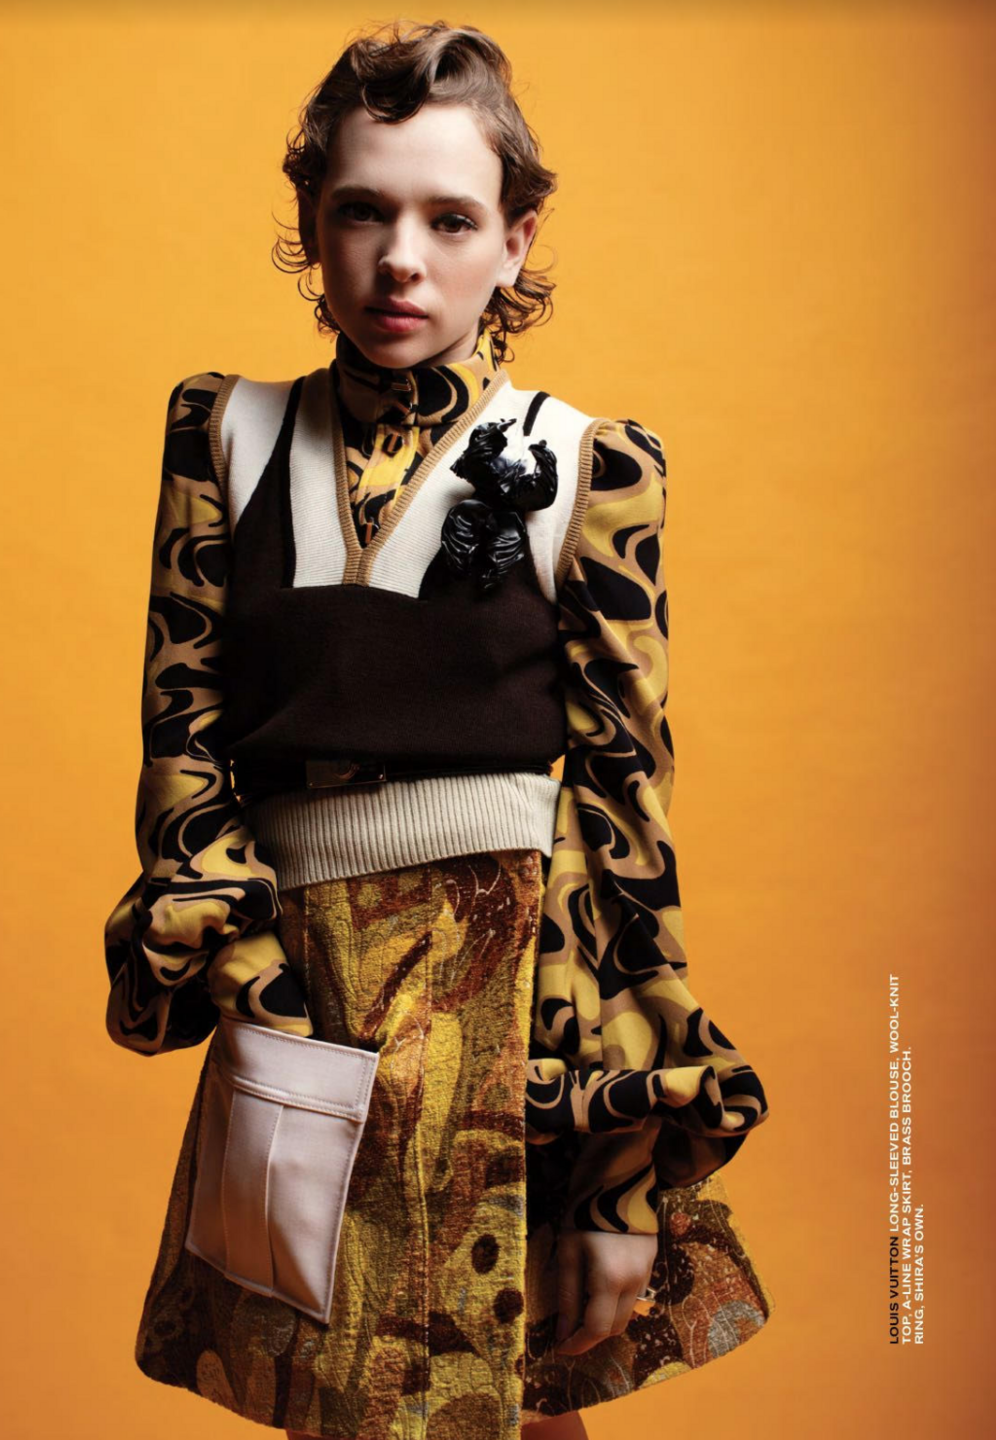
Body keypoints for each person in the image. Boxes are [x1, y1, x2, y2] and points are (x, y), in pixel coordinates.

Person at [102, 20, 773, 1440]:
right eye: (363, 210)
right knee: (334, 1415)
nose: (401, 258)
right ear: (312, 224)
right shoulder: (223, 435)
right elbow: (185, 746)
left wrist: (618, 1177)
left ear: (515, 241)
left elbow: (625, 828)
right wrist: (259, 994)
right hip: (297, 992)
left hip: (520, 1003)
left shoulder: (592, 465)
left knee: (518, 1410)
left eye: (452, 219)